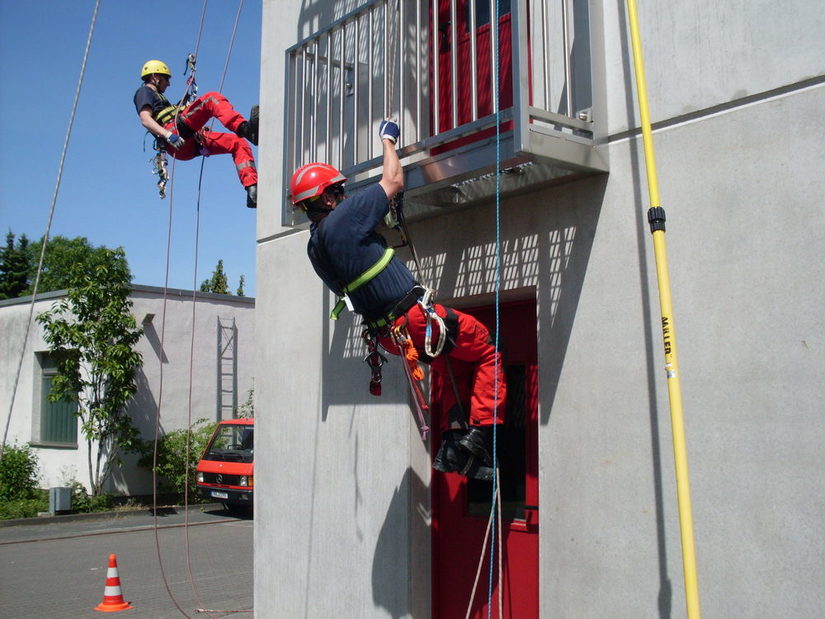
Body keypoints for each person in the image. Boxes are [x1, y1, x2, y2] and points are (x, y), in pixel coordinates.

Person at [290, 120, 506, 480]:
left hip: (391, 336)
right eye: (338, 191)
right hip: (413, 319)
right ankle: (481, 435)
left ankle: (456, 447)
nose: (343, 196)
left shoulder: (315, 247)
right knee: (486, 349)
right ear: (326, 198)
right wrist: (388, 140)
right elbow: (393, 180)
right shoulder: (344, 217)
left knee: (459, 365)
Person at [133, 59, 259, 208]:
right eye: (166, 79)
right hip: (175, 134)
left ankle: (252, 190)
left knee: (237, 143)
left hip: (187, 143)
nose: (168, 83)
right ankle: (244, 129)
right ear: (155, 76)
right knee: (211, 99)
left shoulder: (161, 99)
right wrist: (168, 135)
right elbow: (145, 119)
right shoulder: (144, 92)